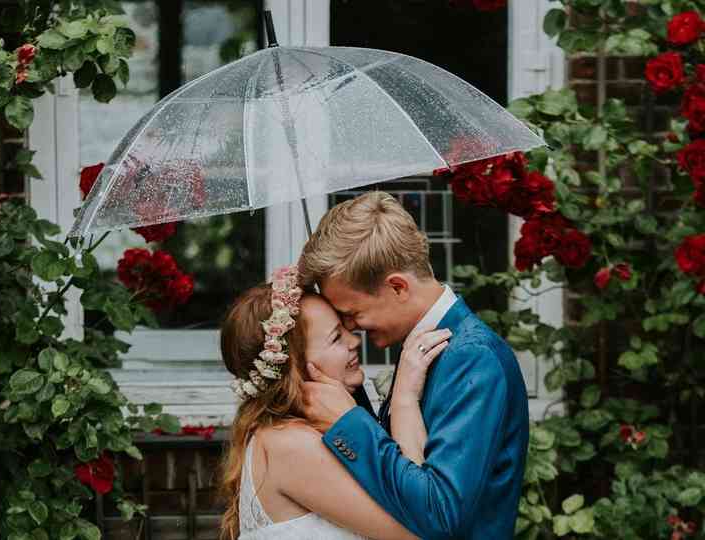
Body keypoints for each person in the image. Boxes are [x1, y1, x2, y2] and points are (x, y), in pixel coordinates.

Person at [298, 191, 530, 540]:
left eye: (351, 313)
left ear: (397, 287)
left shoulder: (472, 359)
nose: (351, 329)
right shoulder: (424, 349)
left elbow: (439, 514)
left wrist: (350, 423)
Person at [217, 265, 450, 539]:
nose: (355, 340)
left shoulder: (302, 434)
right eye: (336, 336)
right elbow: (425, 530)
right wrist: (404, 399)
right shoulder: (289, 444)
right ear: (297, 367)